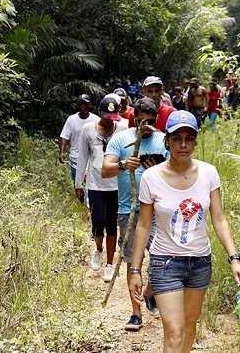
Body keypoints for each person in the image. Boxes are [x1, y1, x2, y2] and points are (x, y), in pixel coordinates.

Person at [129, 110, 240, 352]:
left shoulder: (209, 173)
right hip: (165, 263)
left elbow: (219, 218)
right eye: (176, 138)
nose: (183, 144)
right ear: (167, 140)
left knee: (189, 327)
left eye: (189, 138)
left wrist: (235, 259)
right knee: (174, 331)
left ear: (195, 140)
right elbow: (143, 225)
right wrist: (135, 269)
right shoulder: (151, 177)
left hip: (199, 262)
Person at [102, 97, 169, 331]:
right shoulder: (121, 139)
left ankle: (151, 291)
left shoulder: (164, 141)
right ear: (134, 120)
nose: (145, 127)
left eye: (150, 122)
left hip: (159, 210)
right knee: (134, 261)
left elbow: (177, 173)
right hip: (128, 210)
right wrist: (123, 165)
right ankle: (136, 313)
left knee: (161, 259)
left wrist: (158, 171)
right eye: (141, 122)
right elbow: (105, 170)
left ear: (156, 120)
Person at [76, 96, 127, 282]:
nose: (108, 120)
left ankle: (110, 264)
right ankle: (98, 249)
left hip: (116, 185)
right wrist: (78, 183)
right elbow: (82, 157)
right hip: (95, 184)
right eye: (106, 116)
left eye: (112, 117)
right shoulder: (88, 130)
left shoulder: (122, 130)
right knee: (98, 223)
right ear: (99, 112)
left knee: (112, 224)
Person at [59, 94, 99, 202]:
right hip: (76, 155)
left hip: (92, 155)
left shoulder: (96, 119)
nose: (83, 107)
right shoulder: (71, 119)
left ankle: (90, 203)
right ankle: (82, 202)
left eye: (85, 104)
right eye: (81, 104)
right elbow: (65, 136)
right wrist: (62, 153)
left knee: (89, 180)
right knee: (77, 181)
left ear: (89, 105)